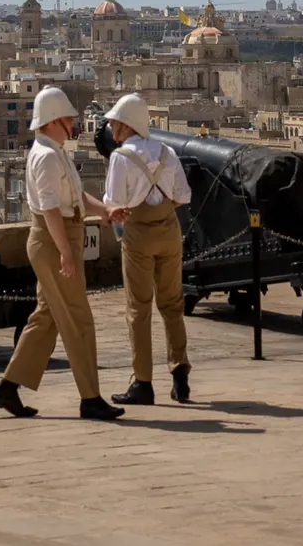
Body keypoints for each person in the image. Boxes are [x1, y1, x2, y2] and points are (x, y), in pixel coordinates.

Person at [0, 86, 126, 422]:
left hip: (58, 238)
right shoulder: (48, 156)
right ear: (53, 121)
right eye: (67, 118)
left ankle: (8, 386)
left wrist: (106, 211)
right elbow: (51, 211)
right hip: (55, 241)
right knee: (78, 319)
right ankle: (90, 397)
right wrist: (66, 253)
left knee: (46, 318)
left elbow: (75, 198)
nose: (72, 124)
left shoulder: (54, 152)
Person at [103, 92, 193, 406]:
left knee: (138, 308)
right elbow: (183, 196)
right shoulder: (167, 152)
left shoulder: (121, 157)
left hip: (138, 235)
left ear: (126, 125)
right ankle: (180, 374)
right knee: (173, 304)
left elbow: (113, 202)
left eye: (115, 122)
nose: (111, 127)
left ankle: (143, 381)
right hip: (169, 230)